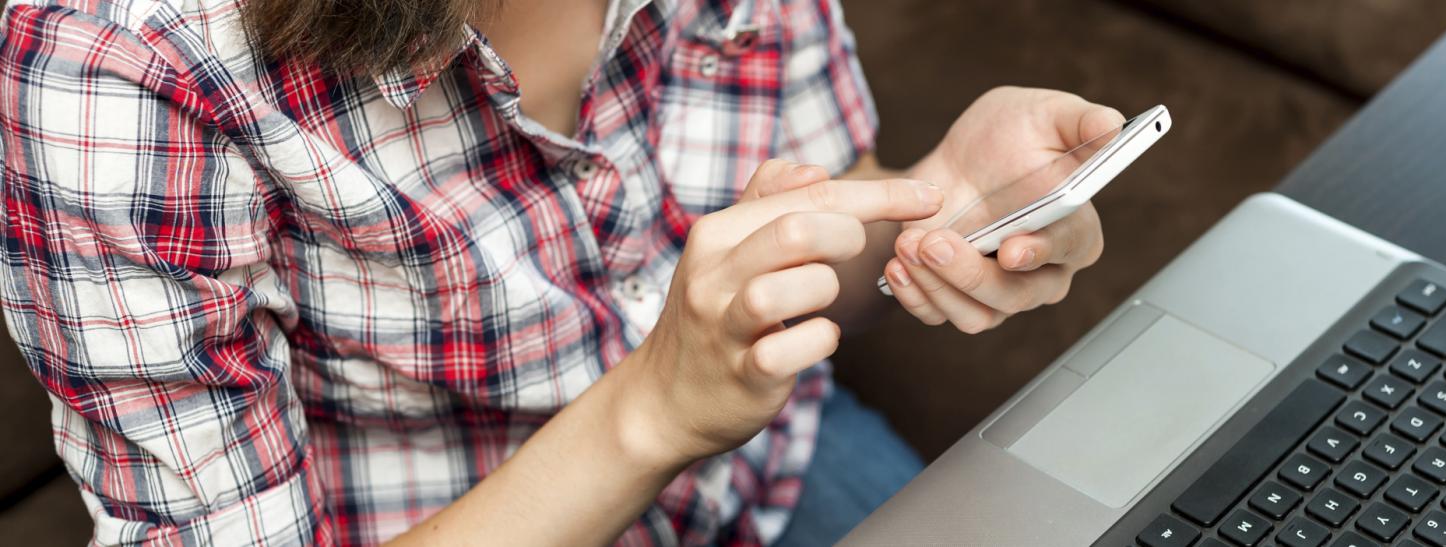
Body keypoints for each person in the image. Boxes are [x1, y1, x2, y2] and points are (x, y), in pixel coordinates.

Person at [0, 0, 1113, 544]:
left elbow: (823, 237)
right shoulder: (112, 59)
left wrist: (937, 206)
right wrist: (656, 409)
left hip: (768, 480)